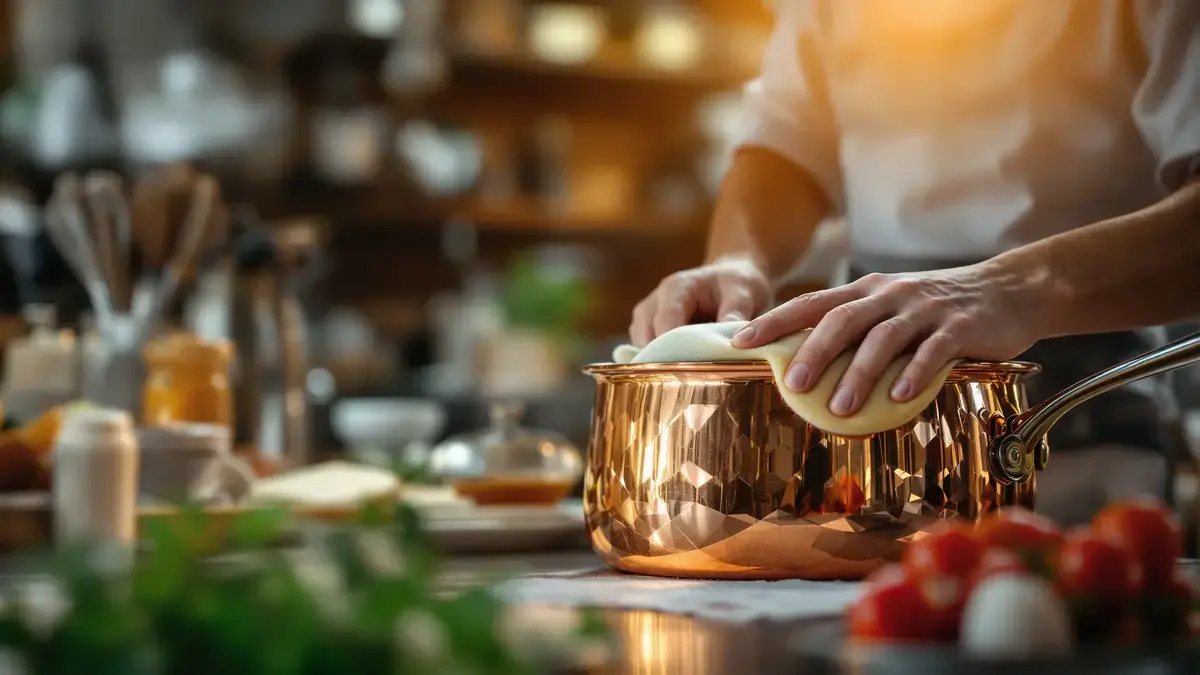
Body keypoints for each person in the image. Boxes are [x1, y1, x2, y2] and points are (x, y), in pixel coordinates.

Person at [629, 1, 1200, 523]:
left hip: (1083, 424)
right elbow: (788, 143)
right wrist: (739, 260)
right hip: (859, 429)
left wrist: (1016, 288)